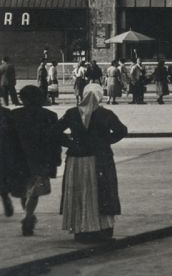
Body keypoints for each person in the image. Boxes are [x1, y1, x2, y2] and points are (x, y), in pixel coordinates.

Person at [59, 85, 127, 242]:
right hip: (99, 158)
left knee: (79, 192)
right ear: (100, 97)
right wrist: (105, 142)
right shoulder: (105, 114)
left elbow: (54, 131)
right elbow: (122, 130)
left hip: (76, 160)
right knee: (101, 192)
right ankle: (102, 228)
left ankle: (81, 228)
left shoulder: (72, 113)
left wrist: (70, 143)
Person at [2, 85, 62, 236]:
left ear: (22, 99)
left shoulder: (13, 115)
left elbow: (7, 140)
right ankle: (28, 216)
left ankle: (28, 214)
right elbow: (55, 141)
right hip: (41, 160)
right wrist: (56, 159)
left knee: (24, 190)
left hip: (19, 160)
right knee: (34, 191)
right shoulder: (50, 115)